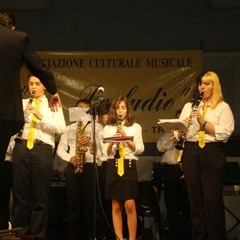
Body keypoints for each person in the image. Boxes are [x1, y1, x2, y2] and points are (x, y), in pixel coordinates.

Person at [0, 10, 61, 230]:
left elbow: (59, 128)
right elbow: (38, 66)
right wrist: (53, 90)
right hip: (6, 116)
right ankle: (8, 227)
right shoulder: (16, 39)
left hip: (38, 144)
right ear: (12, 27)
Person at [179, 71, 234, 240]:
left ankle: (216, 237)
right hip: (191, 150)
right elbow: (182, 133)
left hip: (211, 151)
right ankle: (198, 236)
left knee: (212, 200)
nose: (202, 87)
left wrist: (203, 122)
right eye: (200, 84)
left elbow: (225, 133)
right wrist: (182, 128)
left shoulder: (222, 107)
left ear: (214, 86)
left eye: (207, 83)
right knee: (195, 201)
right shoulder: (190, 106)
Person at [10, 75, 66, 240]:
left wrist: (40, 116)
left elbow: (61, 128)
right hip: (21, 146)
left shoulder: (52, 104)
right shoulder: (22, 103)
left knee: (40, 196)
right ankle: (21, 234)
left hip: (41, 149)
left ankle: (37, 235)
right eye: (31, 84)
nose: (34, 87)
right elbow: (11, 129)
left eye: (37, 84)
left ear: (44, 86)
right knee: (20, 195)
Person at [56, 99, 103, 240]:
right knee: (72, 205)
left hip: (89, 165)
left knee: (90, 205)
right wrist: (69, 158)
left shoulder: (97, 127)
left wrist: (92, 142)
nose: (82, 111)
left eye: (85, 109)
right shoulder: (69, 128)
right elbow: (60, 149)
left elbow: (101, 153)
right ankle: (71, 236)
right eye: (79, 108)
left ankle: (91, 236)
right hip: (73, 166)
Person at [101, 96, 144, 240]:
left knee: (130, 204)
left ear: (128, 110)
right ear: (114, 110)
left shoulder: (135, 127)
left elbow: (140, 149)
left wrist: (127, 139)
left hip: (128, 165)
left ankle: (132, 238)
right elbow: (105, 153)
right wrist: (113, 141)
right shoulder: (107, 128)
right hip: (113, 165)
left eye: (123, 108)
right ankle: (119, 238)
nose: (120, 111)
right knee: (116, 204)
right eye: (117, 108)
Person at [156, 110, 191, 240]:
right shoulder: (167, 134)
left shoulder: (190, 135)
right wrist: (172, 137)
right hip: (170, 169)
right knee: (171, 204)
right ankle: (174, 234)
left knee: (187, 204)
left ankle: (188, 234)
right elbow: (160, 147)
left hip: (184, 169)